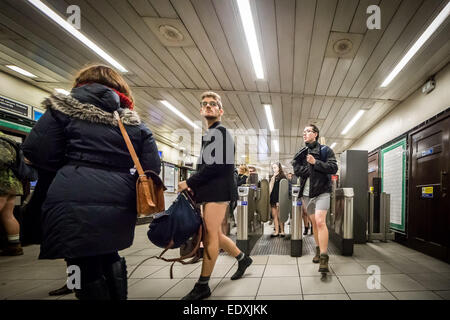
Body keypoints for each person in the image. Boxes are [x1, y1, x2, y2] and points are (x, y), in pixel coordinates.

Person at [22, 65, 161, 300]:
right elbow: (152, 168)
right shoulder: (134, 123)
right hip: (120, 198)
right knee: (109, 252)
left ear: (82, 84)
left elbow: (37, 152)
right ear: (119, 89)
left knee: (79, 258)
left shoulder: (61, 109)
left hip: (72, 191)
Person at [178, 91, 252, 300]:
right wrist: (196, 186)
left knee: (210, 236)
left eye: (213, 104)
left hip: (218, 191)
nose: (208, 106)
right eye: (205, 104)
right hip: (211, 191)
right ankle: (243, 258)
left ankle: (203, 285)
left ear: (220, 110)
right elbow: (208, 166)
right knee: (215, 235)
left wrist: (189, 182)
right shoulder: (211, 134)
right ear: (201, 110)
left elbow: (218, 166)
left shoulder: (220, 133)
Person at [292, 124, 338, 274]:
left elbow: (333, 168)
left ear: (316, 134)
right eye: (303, 132)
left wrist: (315, 163)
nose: (304, 134)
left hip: (322, 191)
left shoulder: (325, 150)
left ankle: (324, 257)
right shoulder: (301, 153)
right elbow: (297, 169)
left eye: (308, 131)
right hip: (306, 194)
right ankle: (318, 250)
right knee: (314, 224)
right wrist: (310, 168)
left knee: (320, 221)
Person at [0, 131, 24, 256]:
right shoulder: (9, 139)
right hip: (13, 183)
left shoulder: (1, 139)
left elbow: (2, 159)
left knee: (7, 214)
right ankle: (14, 246)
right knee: (8, 215)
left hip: (3, 182)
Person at [269, 163, 286, 237]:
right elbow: (270, 189)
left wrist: (280, 200)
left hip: (280, 198)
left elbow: (283, 189)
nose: (274, 169)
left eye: (275, 167)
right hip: (273, 197)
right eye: (273, 168)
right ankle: (276, 231)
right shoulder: (273, 177)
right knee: (274, 215)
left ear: (279, 168)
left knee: (280, 215)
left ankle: (282, 231)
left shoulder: (283, 177)